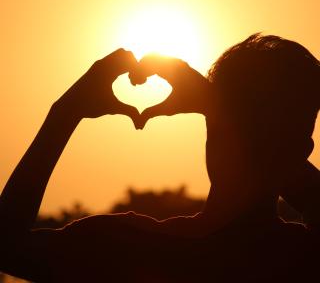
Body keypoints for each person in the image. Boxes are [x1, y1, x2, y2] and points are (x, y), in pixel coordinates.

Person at [0, 34, 319, 282]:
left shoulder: (124, 247)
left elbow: (8, 246)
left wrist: (65, 113)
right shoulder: (302, 258)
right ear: (301, 151)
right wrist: (278, 149)